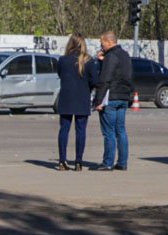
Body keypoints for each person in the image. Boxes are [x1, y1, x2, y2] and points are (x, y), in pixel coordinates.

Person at [54, 34, 95, 171]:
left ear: (70, 44)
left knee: (64, 129)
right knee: (81, 130)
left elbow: (60, 75)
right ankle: (78, 162)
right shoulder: (88, 60)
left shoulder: (63, 60)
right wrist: (87, 88)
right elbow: (94, 80)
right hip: (82, 98)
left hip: (66, 97)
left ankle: (62, 160)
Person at [94, 31, 133, 171]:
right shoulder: (125, 55)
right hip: (123, 97)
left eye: (102, 43)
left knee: (109, 132)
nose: (101, 46)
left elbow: (105, 79)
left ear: (109, 42)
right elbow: (128, 77)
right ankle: (122, 162)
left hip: (111, 98)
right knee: (121, 130)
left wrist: (98, 101)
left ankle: (108, 162)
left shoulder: (111, 56)